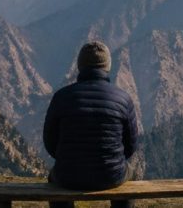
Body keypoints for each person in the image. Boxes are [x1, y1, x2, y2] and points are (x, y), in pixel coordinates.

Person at [43, 41, 138, 208]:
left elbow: (50, 142)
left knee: (54, 178)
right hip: (111, 174)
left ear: (80, 66)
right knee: (131, 174)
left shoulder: (61, 97)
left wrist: (68, 159)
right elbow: (131, 146)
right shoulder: (123, 98)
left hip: (68, 175)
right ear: (107, 66)